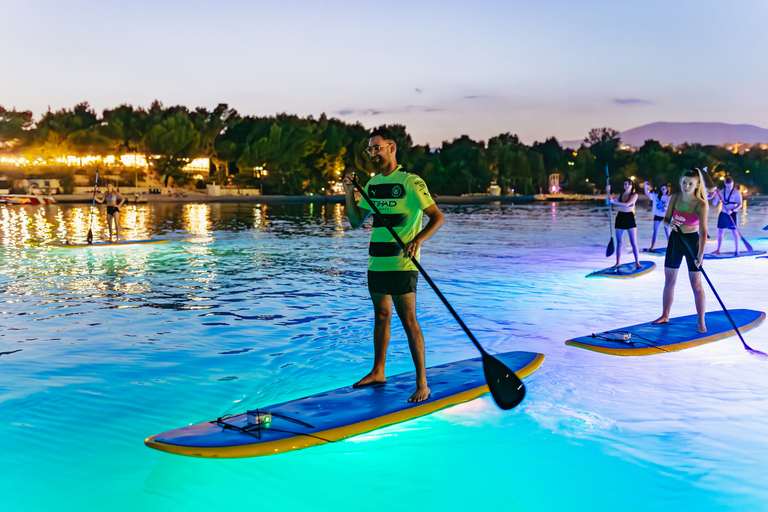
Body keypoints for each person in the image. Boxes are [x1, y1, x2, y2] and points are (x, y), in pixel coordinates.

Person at [342, 128, 444, 403]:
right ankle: (378, 371)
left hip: (402, 264)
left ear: (391, 147)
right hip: (377, 263)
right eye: (369, 149)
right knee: (382, 317)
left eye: (376, 148)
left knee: (409, 320)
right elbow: (355, 220)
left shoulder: (411, 182)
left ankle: (422, 383)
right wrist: (349, 191)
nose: (372, 153)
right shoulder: (372, 185)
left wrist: (418, 240)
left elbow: (437, 218)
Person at [652, 169, 709, 332]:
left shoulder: (701, 204)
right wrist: (670, 225)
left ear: (697, 184)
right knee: (669, 281)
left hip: (692, 242)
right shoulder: (675, 197)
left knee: (696, 285)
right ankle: (665, 315)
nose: (686, 186)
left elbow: (704, 232)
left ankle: (701, 322)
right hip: (676, 240)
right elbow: (666, 220)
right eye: (684, 182)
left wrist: (700, 255)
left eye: (690, 183)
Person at [606, 179, 641, 269]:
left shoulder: (634, 195)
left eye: (629, 184)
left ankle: (637, 262)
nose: (627, 185)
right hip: (620, 217)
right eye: (625, 184)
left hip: (629, 218)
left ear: (632, 186)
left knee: (633, 242)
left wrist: (613, 201)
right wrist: (608, 192)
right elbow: (608, 202)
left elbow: (627, 204)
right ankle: (617, 263)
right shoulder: (620, 195)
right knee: (619, 243)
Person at [708, 176, 742, 256]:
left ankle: (737, 250)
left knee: (734, 231)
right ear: (725, 184)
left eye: (730, 185)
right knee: (720, 230)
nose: (729, 187)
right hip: (723, 213)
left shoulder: (737, 192)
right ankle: (718, 249)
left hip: (732, 214)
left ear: (732, 183)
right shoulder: (721, 192)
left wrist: (733, 210)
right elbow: (714, 203)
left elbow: (740, 204)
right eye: (727, 186)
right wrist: (716, 196)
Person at [643, 181, 671, 250]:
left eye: (665, 189)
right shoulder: (656, 196)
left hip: (665, 216)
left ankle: (671, 247)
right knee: (655, 231)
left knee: (667, 232)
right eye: (662, 189)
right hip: (657, 216)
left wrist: (666, 208)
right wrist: (645, 185)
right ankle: (652, 246)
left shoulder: (669, 197)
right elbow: (647, 193)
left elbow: (669, 207)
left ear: (667, 189)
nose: (664, 190)